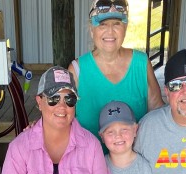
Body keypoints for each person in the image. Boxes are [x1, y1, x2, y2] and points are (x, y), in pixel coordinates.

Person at [68, 1, 163, 138]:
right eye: (102, 24)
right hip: (90, 157)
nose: (110, 31)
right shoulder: (77, 70)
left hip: (134, 156)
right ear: (91, 30)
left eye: (117, 24)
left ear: (125, 27)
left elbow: (157, 112)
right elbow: (62, 116)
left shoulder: (141, 63)